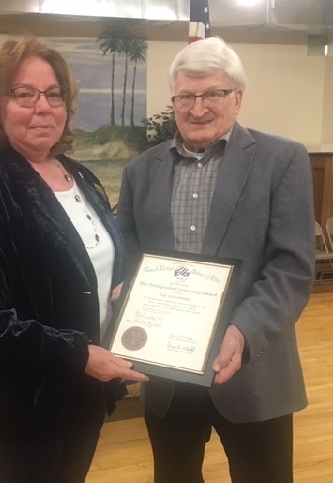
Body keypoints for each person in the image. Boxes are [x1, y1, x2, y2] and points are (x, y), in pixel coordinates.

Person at [0, 35, 148, 483]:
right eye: (23, 94)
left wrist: (126, 291)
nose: (42, 106)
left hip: (82, 394)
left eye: (53, 94)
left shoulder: (81, 175)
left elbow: (96, 260)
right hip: (10, 408)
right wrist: (77, 354)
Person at [116, 36, 315, 483]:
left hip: (252, 368)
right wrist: (125, 290)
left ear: (238, 97)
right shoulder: (140, 171)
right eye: (186, 95)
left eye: (213, 94)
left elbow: (292, 266)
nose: (198, 108)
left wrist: (243, 331)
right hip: (165, 372)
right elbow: (129, 251)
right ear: (174, 100)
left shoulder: (281, 159)